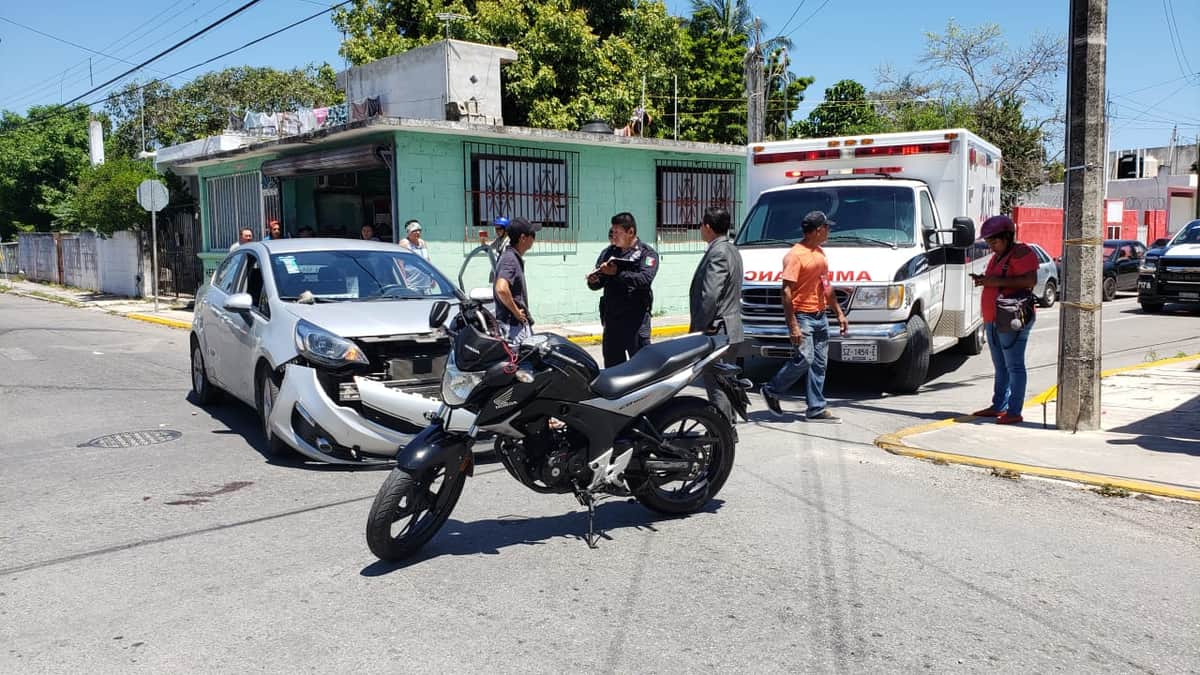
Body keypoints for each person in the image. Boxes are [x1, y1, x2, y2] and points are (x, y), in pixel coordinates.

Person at [760, 211, 848, 423]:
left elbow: (826, 287)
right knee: (804, 359)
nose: (829, 231)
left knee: (819, 363)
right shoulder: (795, 256)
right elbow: (786, 291)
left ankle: (816, 408)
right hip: (802, 316)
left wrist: (839, 313)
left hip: (820, 315)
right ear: (818, 230)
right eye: (827, 227)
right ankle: (771, 389)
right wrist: (793, 326)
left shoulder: (820, 254)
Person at [971, 215, 1038, 425]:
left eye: (994, 242)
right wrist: (985, 281)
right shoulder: (998, 256)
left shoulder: (1021, 252)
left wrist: (994, 280)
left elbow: (1030, 280)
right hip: (993, 318)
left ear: (1008, 237)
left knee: (1014, 365)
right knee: (1000, 366)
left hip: (1011, 319)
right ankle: (999, 405)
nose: (991, 247)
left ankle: (1014, 410)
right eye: (989, 242)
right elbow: (997, 281)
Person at [689, 206, 744, 422]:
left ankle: (723, 431)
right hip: (730, 328)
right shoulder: (731, 249)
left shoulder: (718, 252)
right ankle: (728, 426)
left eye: (702, 225)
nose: (701, 229)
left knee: (716, 385)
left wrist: (700, 329)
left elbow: (710, 295)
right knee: (724, 382)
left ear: (708, 227)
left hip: (717, 329)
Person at [586, 212, 659, 368]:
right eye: (613, 231)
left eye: (618, 232)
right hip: (613, 321)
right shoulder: (608, 253)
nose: (614, 235)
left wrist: (617, 273)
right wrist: (594, 281)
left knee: (642, 369)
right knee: (613, 369)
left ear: (630, 232)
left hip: (636, 321)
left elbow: (644, 279)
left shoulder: (647, 253)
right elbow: (599, 282)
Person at [494, 217, 541, 345]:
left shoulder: (511, 257)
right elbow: (501, 288)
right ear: (523, 238)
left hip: (514, 326)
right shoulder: (510, 259)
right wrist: (516, 312)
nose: (534, 239)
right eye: (532, 235)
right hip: (514, 327)